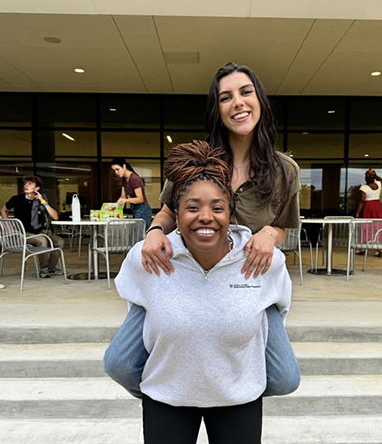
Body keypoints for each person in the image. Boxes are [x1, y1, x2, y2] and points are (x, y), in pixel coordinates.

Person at [114, 141, 292, 444]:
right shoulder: (149, 261)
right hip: (169, 398)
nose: (205, 217)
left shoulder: (265, 264)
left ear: (231, 212)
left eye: (217, 206)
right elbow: (129, 343)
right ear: (176, 214)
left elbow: (276, 320)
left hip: (237, 397)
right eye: (192, 207)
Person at [104, 62, 300, 399]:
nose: (237, 102)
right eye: (226, 97)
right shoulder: (194, 160)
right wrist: (153, 232)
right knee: (119, 362)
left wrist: (269, 234)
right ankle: (173, 393)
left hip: (247, 281)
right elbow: (168, 211)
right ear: (218, 109)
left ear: (260, 101)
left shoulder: (285, 170)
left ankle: (228, 389)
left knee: (285, 378)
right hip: (181, 277)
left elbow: (282, 225)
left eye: (245, 92)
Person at [0, 176, 64, 278]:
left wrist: (44, 202)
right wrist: (8, 226)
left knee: (59, 241)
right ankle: (43, 269)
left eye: (30, 184)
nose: (26, 186)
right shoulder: (16, 199)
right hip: (23, 233)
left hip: (38, 231)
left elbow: (55, 216)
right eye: (25, 184)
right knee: (42, 240)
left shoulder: (41, 200)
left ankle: (51, 268)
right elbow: (3, 210)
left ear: (37, 188)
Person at [111, 158, 152, 229]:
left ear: (124, 166)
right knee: (137, 235)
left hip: (143, 211)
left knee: (141, 236)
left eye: (117, 169)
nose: (116, 172)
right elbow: (122, 197)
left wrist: (126, 200)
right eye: (114, 170)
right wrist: (114, 206)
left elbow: (140, 199)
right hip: (135, 210)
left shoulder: (134, 179)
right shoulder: (124, 179)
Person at [355, 168, 382, 256]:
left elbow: (362, 200)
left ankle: (362, 247)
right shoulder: (378, 184)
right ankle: (380, 249)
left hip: (368, 207)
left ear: (366, 178)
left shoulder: (363, 188)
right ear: (374, 178)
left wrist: (357, 212)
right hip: (377, 205)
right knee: (377, 226)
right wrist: (376, 176)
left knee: (365, 227)